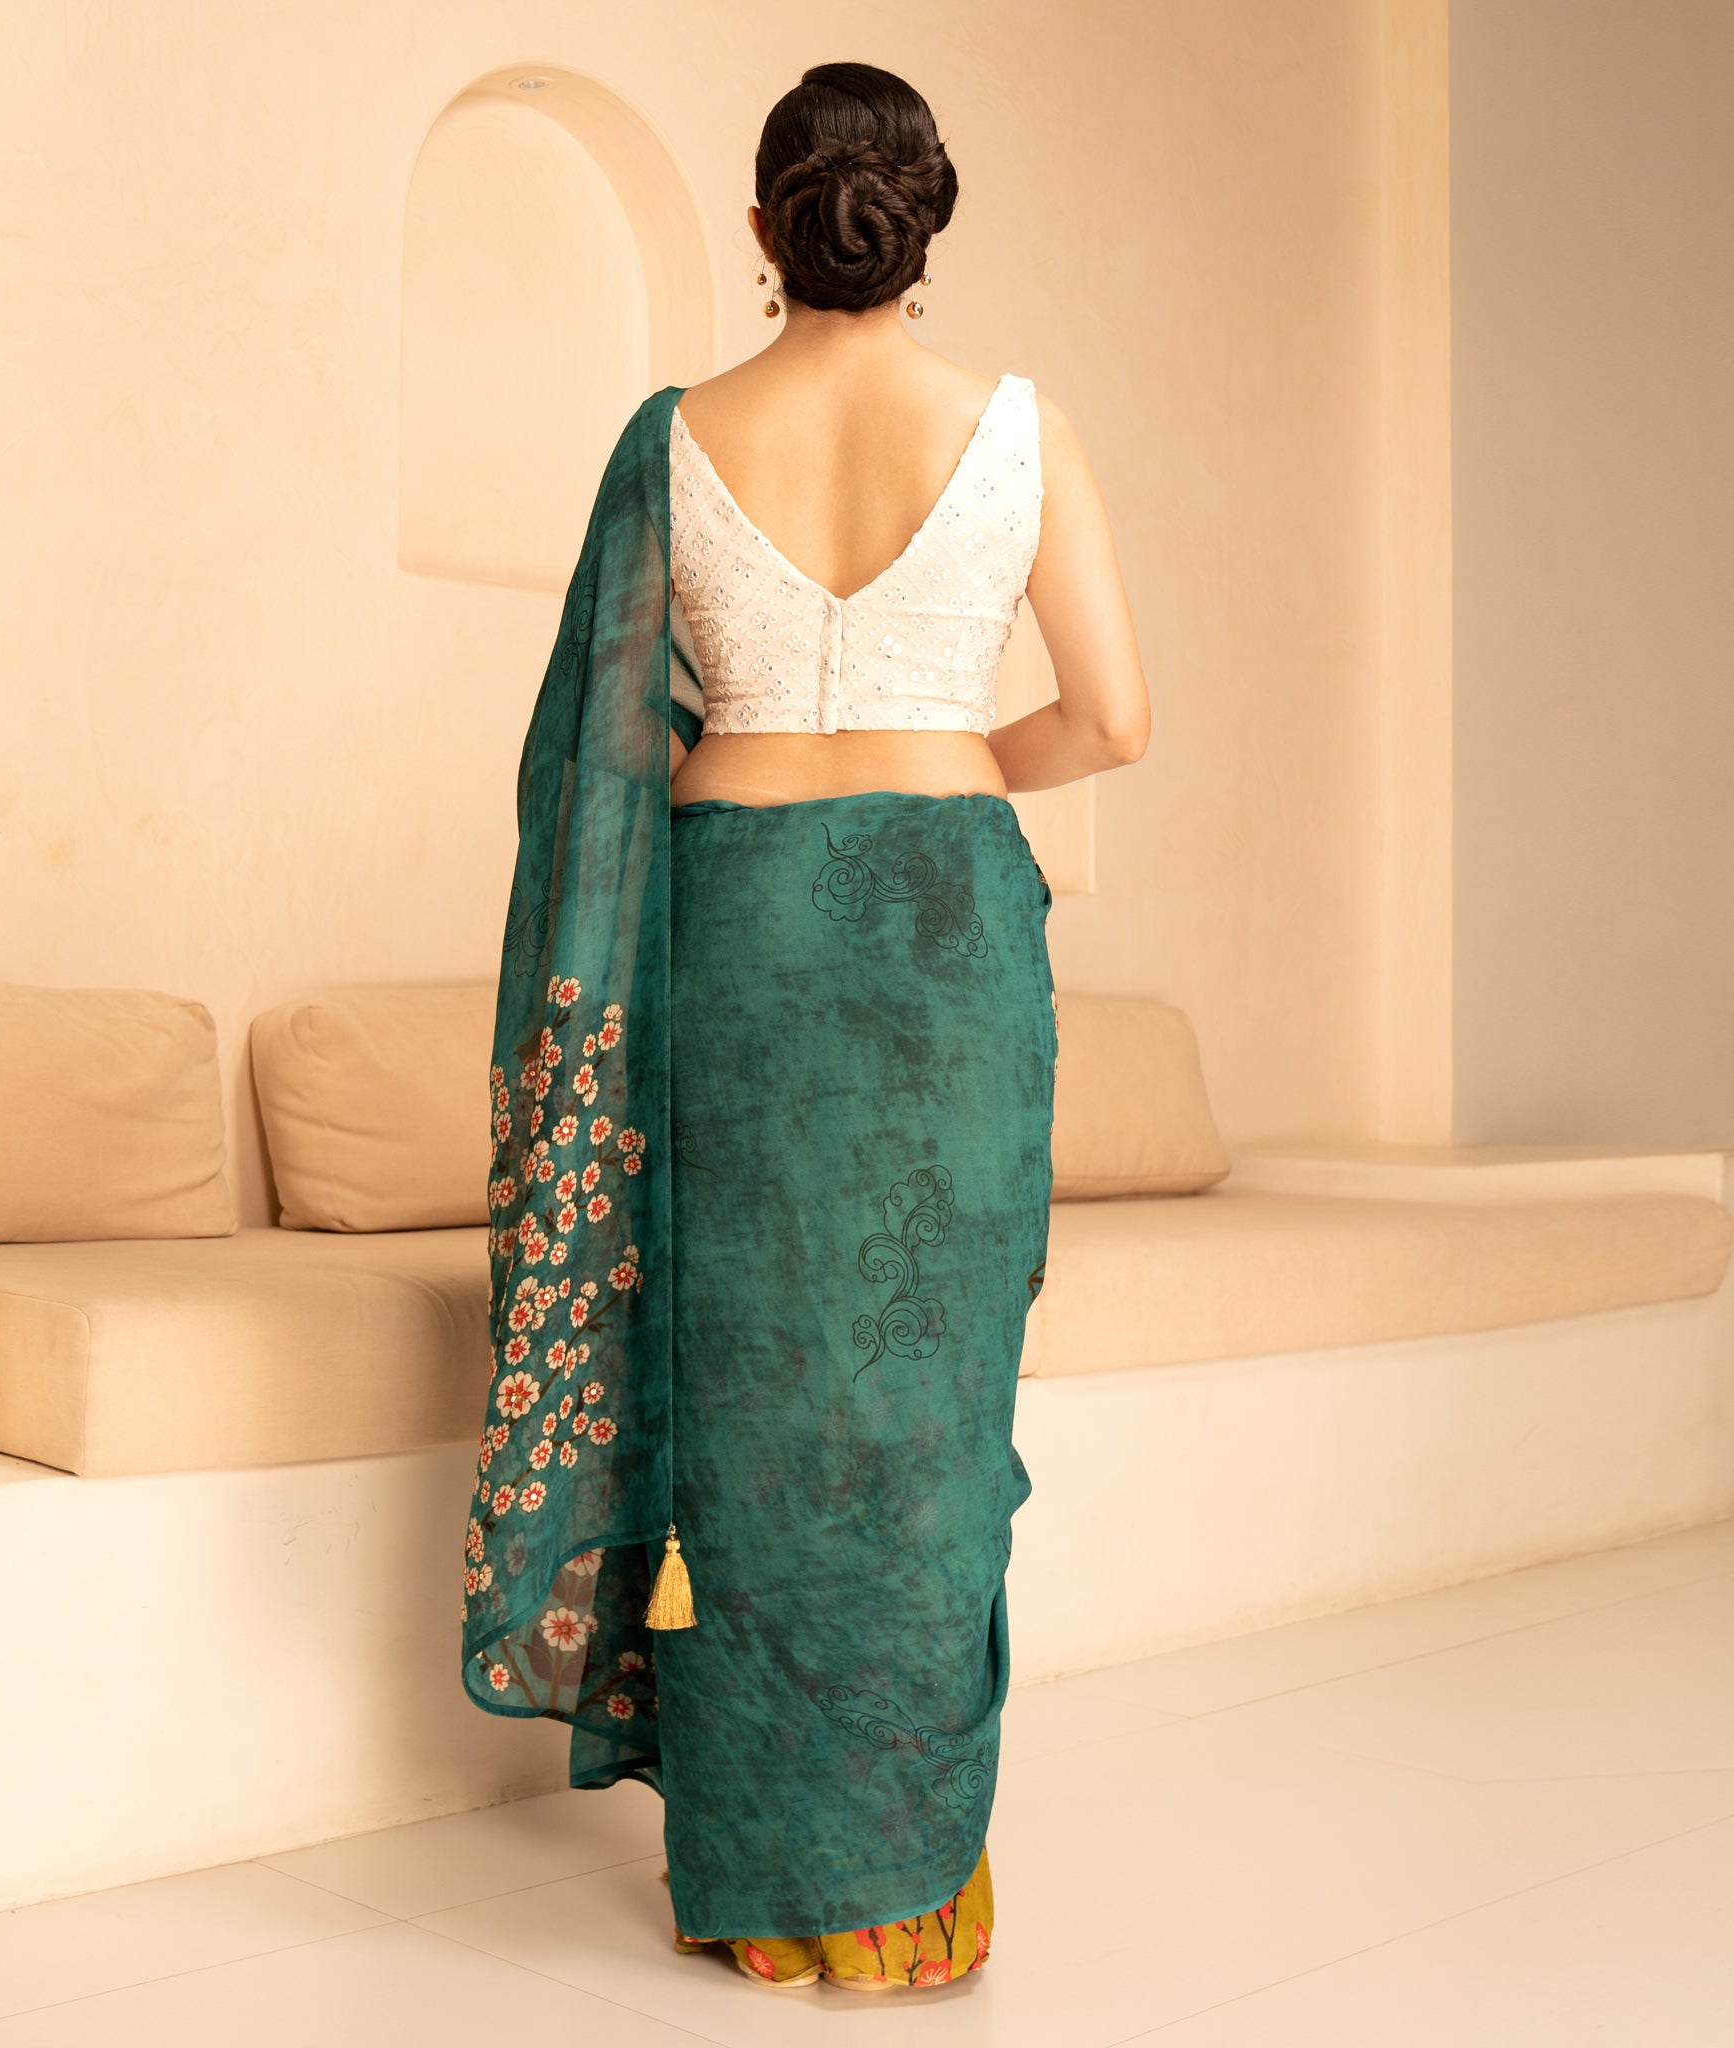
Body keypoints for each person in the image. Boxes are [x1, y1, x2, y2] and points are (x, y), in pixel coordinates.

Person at [460, 58, 1150, 1994]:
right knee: (926, 1408)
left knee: (749, 1405)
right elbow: (1109, 718)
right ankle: (918, 1883)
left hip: (739, 925)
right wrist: (940, 763)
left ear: (764, 232)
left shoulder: (668, 434)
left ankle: (768, 1893)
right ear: (920, 228)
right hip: (940, 925)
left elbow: (589, 747)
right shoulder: (1019, 428)